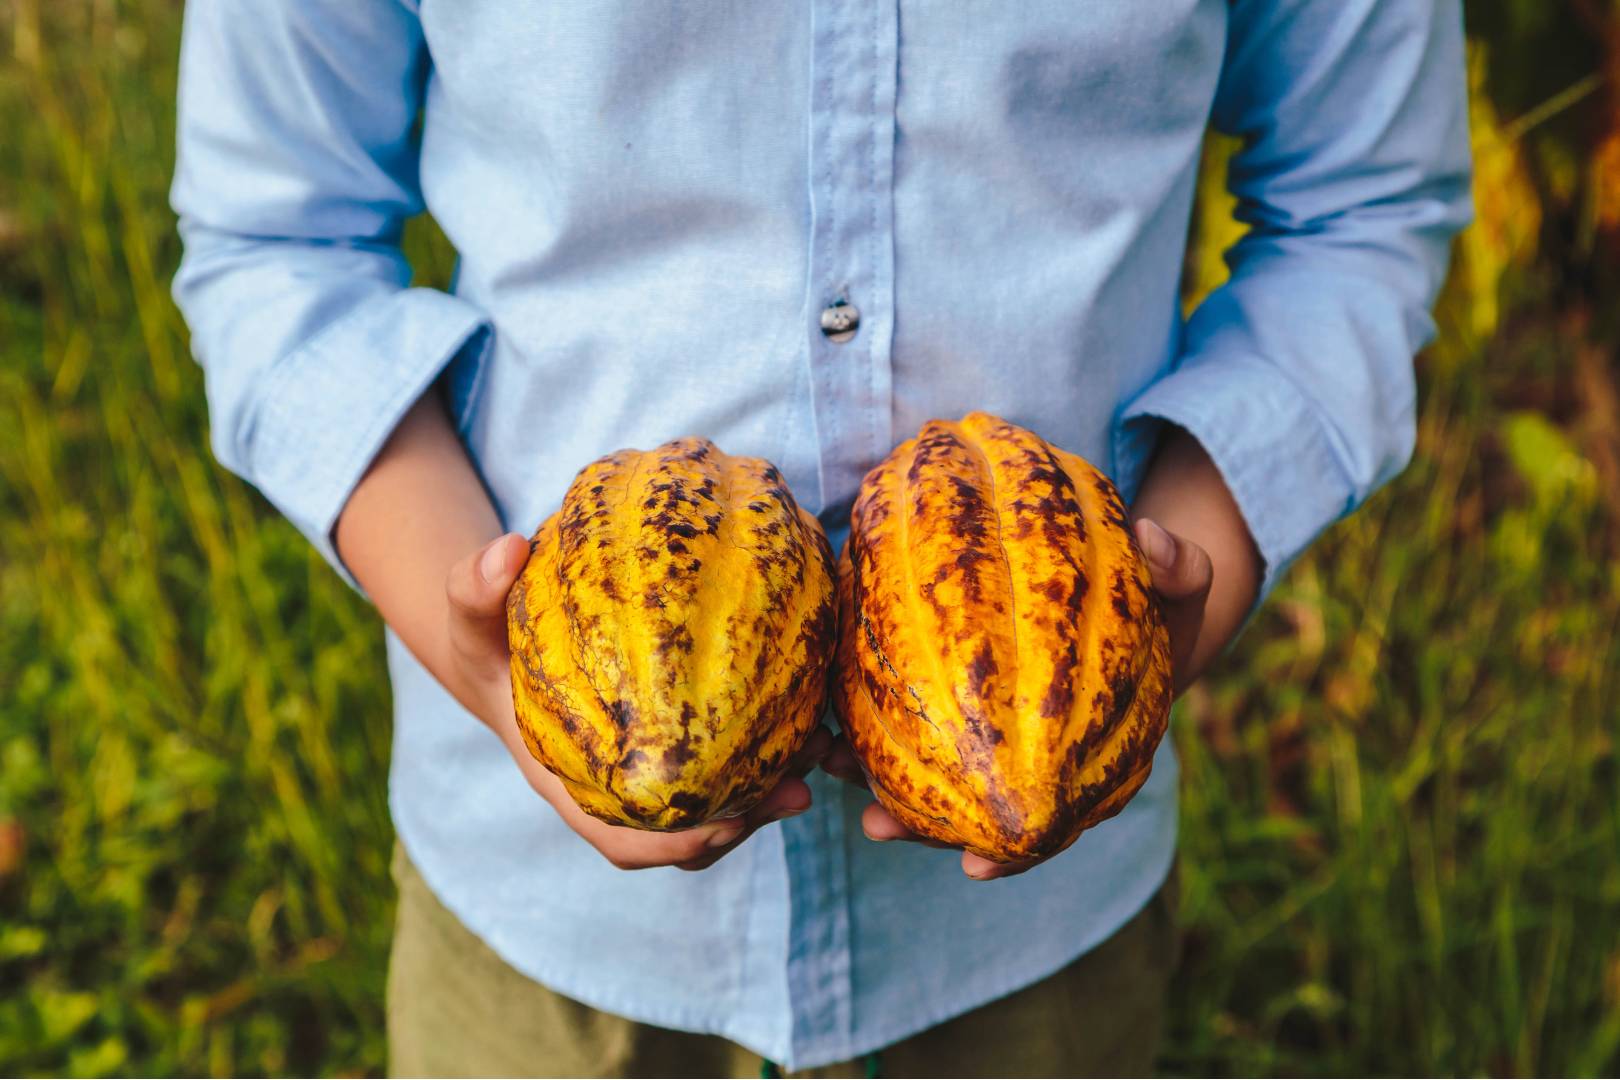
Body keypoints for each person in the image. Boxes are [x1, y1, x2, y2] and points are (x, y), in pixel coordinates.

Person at [170, 2, 1472, 1075]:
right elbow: (274, 234)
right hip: (547, 927)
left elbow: (1361, 213)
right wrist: (488, 666)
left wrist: (1189, 567)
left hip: (1037, 918)